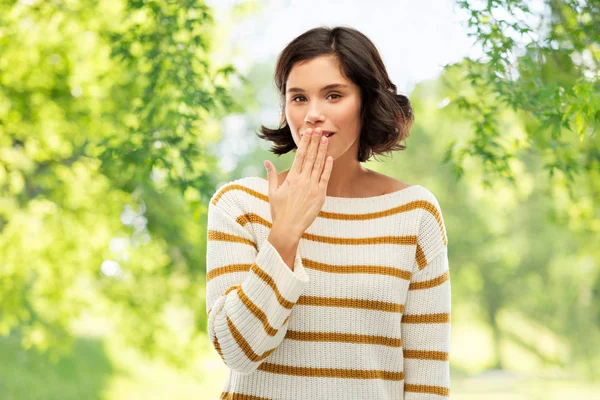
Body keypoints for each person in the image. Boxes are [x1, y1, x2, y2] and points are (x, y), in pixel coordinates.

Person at [205, 25, 450, 400]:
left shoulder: (415, 214)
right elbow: (238, 352)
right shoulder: (239, 205)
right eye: (299, 98)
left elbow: (427, 379)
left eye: (333, 95)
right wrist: (285, 232)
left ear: (367, 101)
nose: (313, 114)